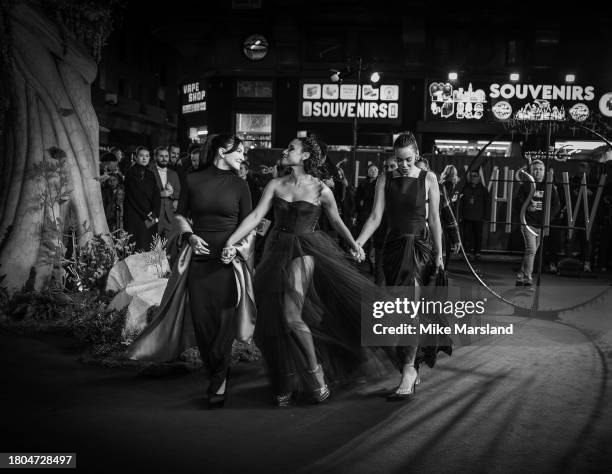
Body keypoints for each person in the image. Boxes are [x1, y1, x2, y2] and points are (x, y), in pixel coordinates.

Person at [223, 136, 393, 407]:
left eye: (291, 147)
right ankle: (284, 381)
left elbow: (336, 220)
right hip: (275, 250)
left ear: (304, 156)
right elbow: (256, 217)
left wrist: (354, 245)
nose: (286, 150)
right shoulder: (275, 184)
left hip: (306, 250)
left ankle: (316, 375)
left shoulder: (321, 189)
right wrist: (231, 241)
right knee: (272, 319)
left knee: (291, 315)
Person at [127, 135, 254, 410]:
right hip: (199, 261)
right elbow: (180, 215)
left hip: (228, 263)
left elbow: (250, 225)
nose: (243, 157)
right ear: (222, 152)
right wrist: (190, 237)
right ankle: (217, 371)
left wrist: (237, 248)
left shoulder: (241, 185)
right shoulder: (193, 180)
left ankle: (218, 380)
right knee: (203, 322)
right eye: (240, 152)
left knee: (223, 323)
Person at [356, 132, 449, 401]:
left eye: (408, 159)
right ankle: (412, 362)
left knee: (412, 307)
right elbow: (375, 216)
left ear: (417, 155)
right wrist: (360, 242)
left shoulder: (429, 179)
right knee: (400, 310)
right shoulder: (385, 179)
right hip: (394, 248)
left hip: (421, 248)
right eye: (399, 160)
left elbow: (435, 220)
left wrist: (440, 253)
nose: (403, 165)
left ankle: (408, 370)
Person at [514, 159, 560, 287]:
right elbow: (517, 203)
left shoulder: (549, 186)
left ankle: (520, 275)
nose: (538, 172)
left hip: (541, 225)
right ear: (531, 171)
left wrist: (547, 219)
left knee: (531, 252)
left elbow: (556, 205)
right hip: (528, 224)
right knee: (531, 250)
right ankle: (528, 278)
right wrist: (528, 205)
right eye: (535, 169)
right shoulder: (526, 186)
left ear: (544, 172)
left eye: (540, 169)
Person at [123, 146, 160, 251]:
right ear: (135, 157)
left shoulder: (151, 174)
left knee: (149, 243)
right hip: (136, 215)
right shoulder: (130, 173)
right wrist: (147, 213)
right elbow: (134, 197)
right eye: (141, 156)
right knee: (136, 245)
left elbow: (156, 195)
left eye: (147, 156)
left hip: (150, 216)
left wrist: (155, 213)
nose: (144, 158)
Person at [151, 146, 181, 238]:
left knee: (169, 246)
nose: (164, 159)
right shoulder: (149, 172)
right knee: (152, 243)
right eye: (161, 156)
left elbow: (178, 193)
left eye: (166, 156)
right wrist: (160, 194)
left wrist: (172, 193)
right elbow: (144, 194)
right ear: (155, 157)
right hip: (153, 214)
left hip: (169, 215)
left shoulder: (174, 173)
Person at [460, 169, 490, 260]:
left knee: (478, 235)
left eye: (475, 176)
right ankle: (467, 252)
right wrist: (461, 215)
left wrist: (485, 216)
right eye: (471, 176)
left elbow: (487, 204)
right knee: (467, 235)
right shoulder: (465, 188)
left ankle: (477, 252)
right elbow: (461, 203)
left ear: (479, 177)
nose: (473, 178)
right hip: (467, 216)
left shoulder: (483, 190)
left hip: (479, 217)